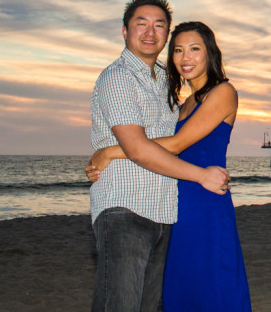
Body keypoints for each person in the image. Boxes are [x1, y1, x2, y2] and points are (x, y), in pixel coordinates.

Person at [89, 20, 251, 311]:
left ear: (210, 53)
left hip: (205, 201)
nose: (185, 58)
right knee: (181, 290)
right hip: (177, 204)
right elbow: (159, 147)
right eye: (177, 50)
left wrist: (111, 151)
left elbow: (176, 145)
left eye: (194, 49)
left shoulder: (223, 92)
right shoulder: (182, 105)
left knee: (214, 286)